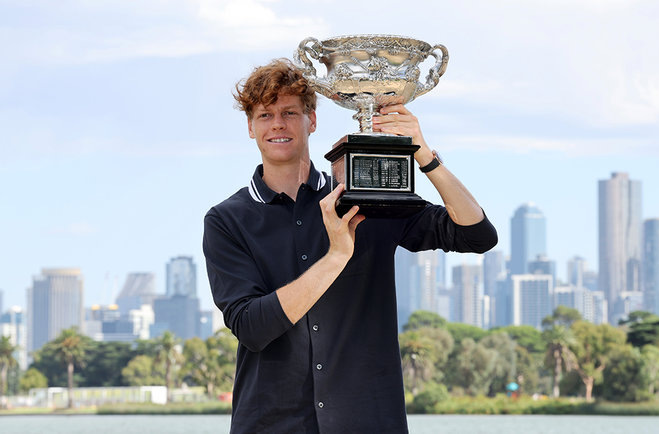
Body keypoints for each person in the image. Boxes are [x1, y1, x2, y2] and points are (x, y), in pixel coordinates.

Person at [203, 59, 497, 433]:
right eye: (265, 115)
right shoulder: (227, 221)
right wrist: (337, 255)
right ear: (250, 127)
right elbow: (251, 327)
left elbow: (477, 234)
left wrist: (423, 153)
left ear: (312, 120)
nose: (278, 123)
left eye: (290, 112)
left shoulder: (369, 199)